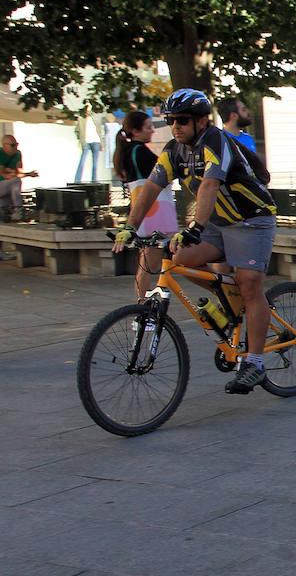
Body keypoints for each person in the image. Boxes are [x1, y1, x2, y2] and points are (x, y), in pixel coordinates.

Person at [111, 89, 277, 393]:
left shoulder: (215, 141)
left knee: (250, 282)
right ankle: (230, 304)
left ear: (202, 120)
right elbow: (150, 186)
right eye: (171, 120)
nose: (176, 126)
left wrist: (195, 227)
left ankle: (254, 362)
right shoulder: (175, 149)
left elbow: (210, 185)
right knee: (181, 260)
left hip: (251, 219)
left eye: (183, 120)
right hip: (218, 222)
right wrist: (129, 225)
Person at [111, 111, 179, 298]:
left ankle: (143, 306)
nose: (152, 131)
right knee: (150, 264)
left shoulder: (128, 151)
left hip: (145, 213)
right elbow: (156, 179)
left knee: (147, 261)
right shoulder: (139, 151)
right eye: (148, 127)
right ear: (135, 130)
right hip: (154, 213)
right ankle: (144, 308)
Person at [0, 134, 38, 221]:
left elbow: (19, 171)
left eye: (16, 144)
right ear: (4, 145)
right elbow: (2, 173)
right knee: (16, 181)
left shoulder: (18, 154)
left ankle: (10, 212)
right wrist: (10, 174)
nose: (15, 147)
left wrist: (28, 174)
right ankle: (18, 208)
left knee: (15, 182)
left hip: (7, 187)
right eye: (12, 145)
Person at [76, 109, 102, 182]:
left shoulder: (95, 119)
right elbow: (77, 130)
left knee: (95, 163)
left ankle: (94, 180)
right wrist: (80, 139)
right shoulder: (81, 120)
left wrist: (101, 143)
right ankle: (77, 180)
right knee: (82, 161)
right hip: (86, 141)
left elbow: (99, 131)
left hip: (96, 141)